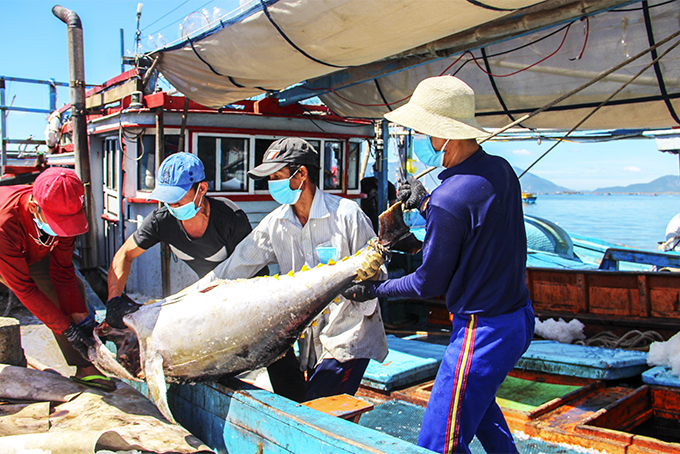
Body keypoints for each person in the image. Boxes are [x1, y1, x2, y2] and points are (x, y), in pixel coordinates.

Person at [342, 76, 534, 454]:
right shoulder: (501, 171)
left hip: (481, 331)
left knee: (438, 442)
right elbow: (475, 232)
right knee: (480, 415)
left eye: (422, 131)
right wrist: (426, 204)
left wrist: (374, 290)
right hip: (519, 319)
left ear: (443, 134)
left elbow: (427, 284)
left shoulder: (449, 198)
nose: (420, 139)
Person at [204, 137, 388, 402]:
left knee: (316, 414)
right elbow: (234, 268)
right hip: (311, 344)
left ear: (301, 174)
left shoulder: (347, 215)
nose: (271, 185)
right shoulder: (275, 223)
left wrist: (365, 277)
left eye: (277, 176)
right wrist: (197, 296)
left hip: (349, 337)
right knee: (325, 415)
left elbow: (378, 273)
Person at [0, 167, 116, 391]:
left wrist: (83, 322)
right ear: (34, 208)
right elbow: (25, 289)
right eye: (58, 225)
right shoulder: (5, 224)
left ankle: (86, 367)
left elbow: (62, 271)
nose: (63, 232)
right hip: (5, 249)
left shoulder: (64, 208)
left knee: (76, 289)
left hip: (30, 249)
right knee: (45, 302)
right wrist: (67, 328)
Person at [360, 168, 397, 234]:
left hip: (380, 219)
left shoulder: (390, 186)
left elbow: (393, 206)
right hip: (365, 217)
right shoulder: (365, 182)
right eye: (376, 169)